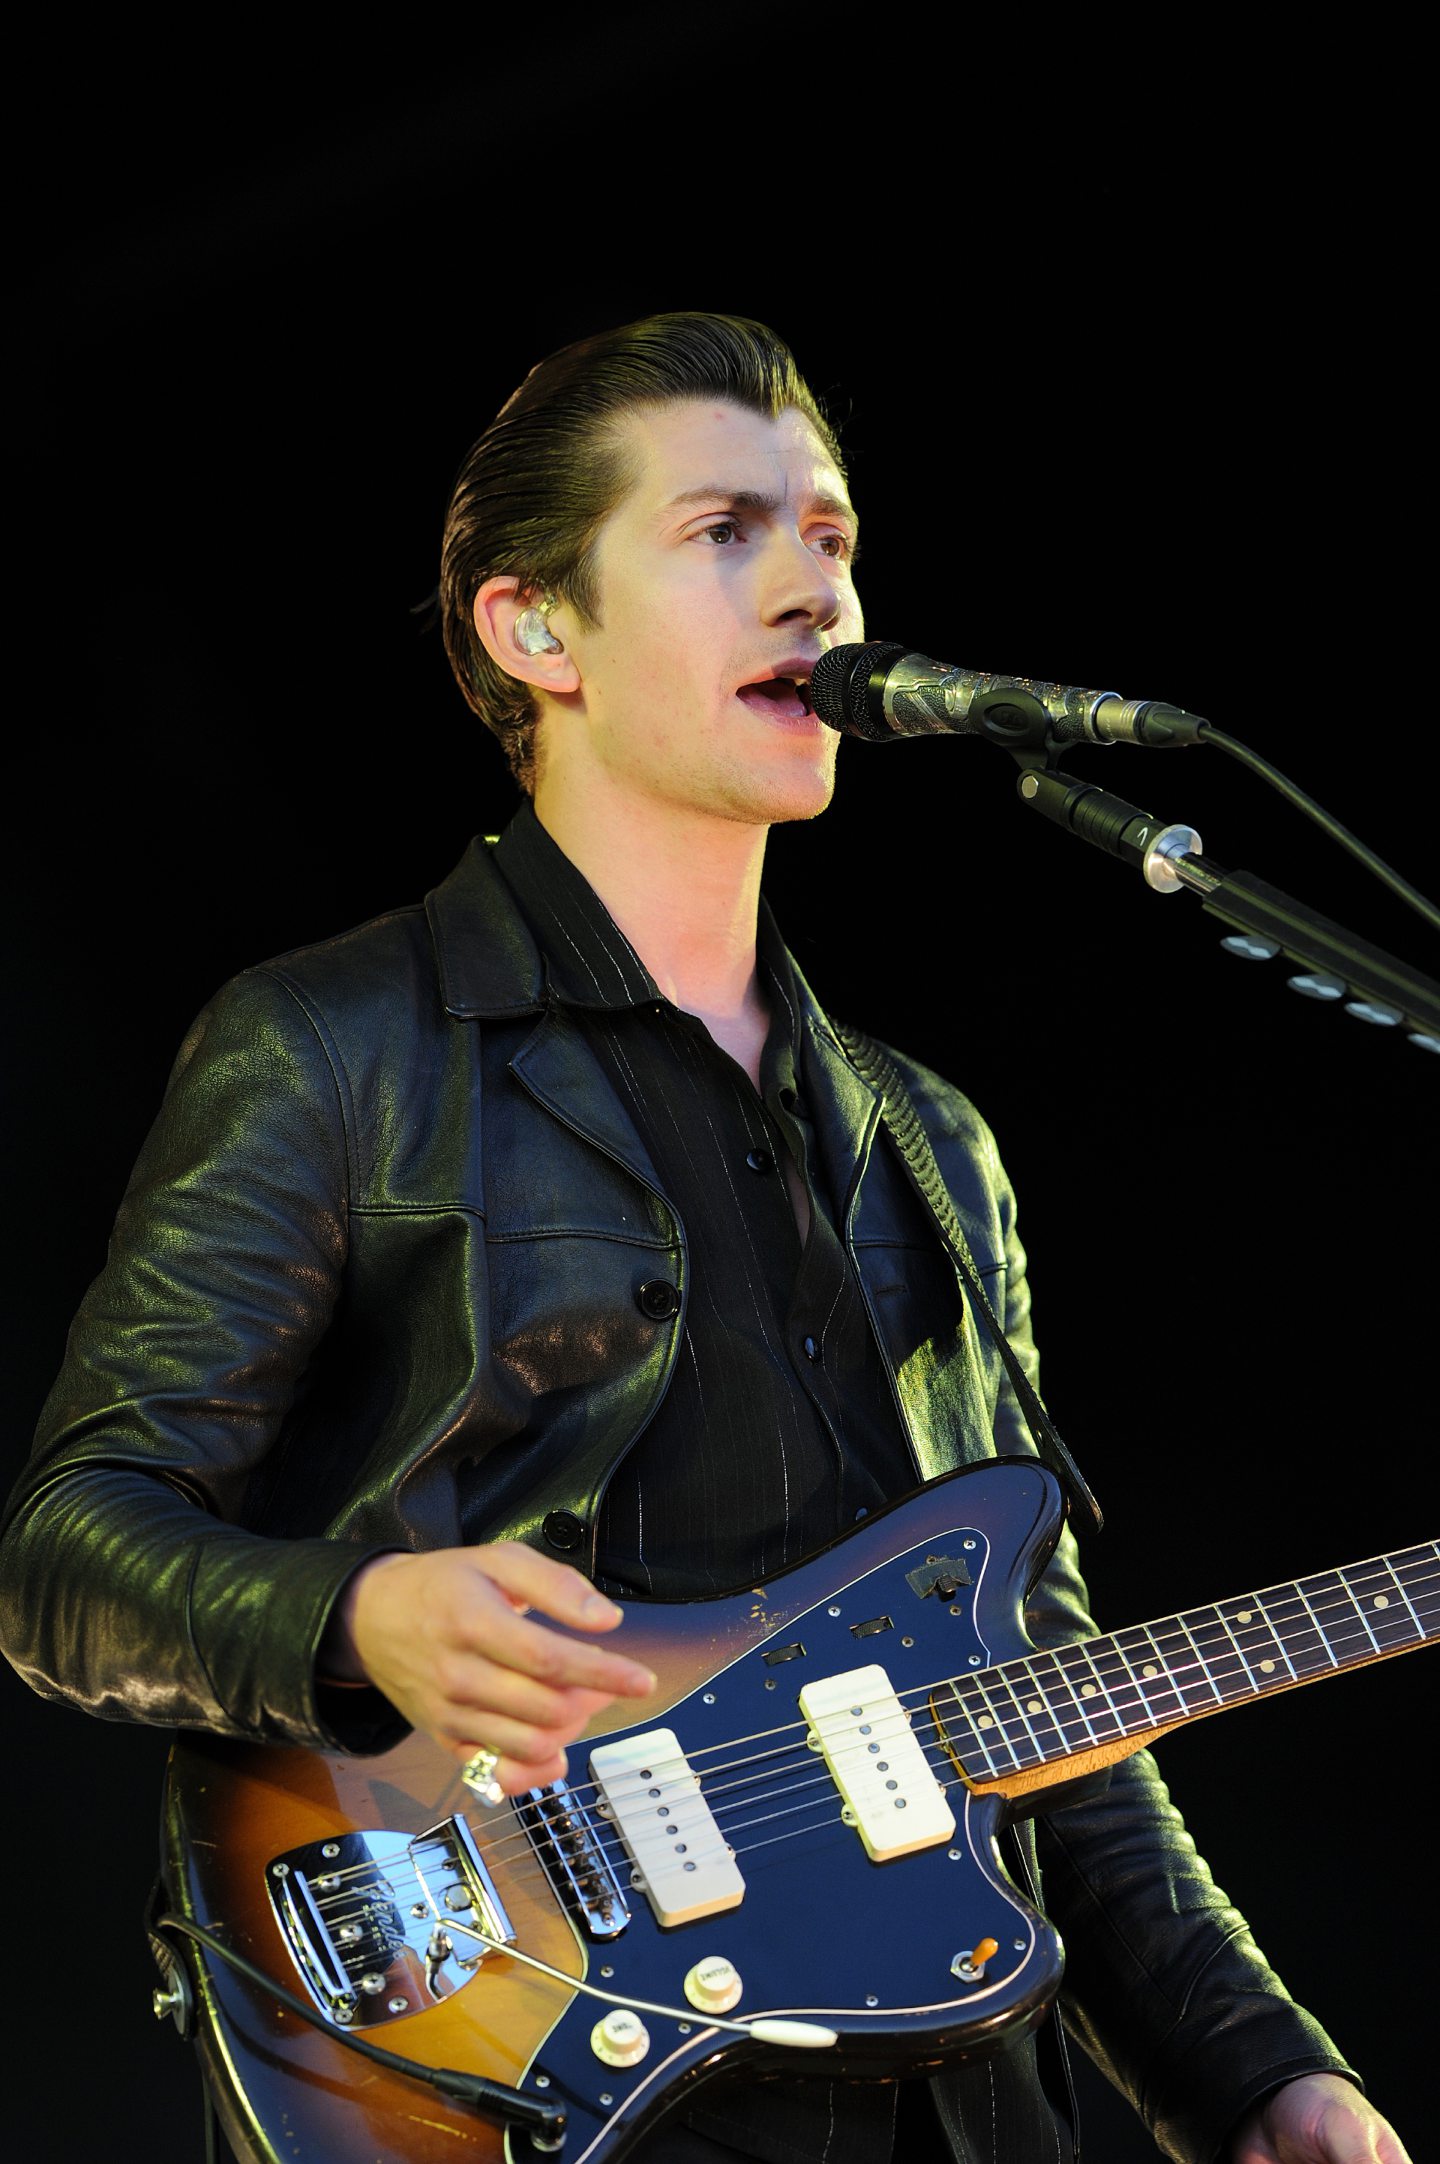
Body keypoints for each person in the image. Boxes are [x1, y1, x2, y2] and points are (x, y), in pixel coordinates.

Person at [0, 313, 1410, 2164]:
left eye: (828, 537)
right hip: (531, 2065)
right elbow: (63, 1562)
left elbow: (1034, 1680)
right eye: (725, 531)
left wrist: (1264, 2072)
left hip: (965, 2104)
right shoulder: (333, 1045)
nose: (811, 589)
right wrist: (353, 1615)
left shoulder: (931, 1140)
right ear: (535, 632)